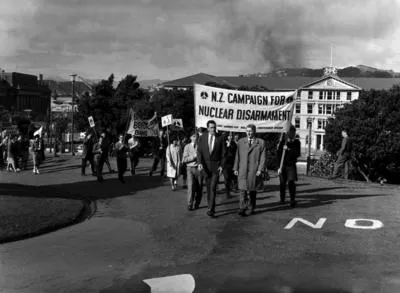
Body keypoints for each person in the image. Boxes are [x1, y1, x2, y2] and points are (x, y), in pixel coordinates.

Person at [233, 124, 266, 216]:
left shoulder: (260, 142)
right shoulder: (240, 142)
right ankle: (242, 207)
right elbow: (237, 156)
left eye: (250, 131)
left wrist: (260, 169)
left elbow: (263, 158)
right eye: (247, 131)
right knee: (242, 189)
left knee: (252, 189)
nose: (249, 133)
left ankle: (251, 207)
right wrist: (235, 168)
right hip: (243, 169)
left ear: (254, 131)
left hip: (253, 169)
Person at [197, 120, 226, 218]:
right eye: (211, 127)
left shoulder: (220, 138)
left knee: (213, 188)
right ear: (208, 128)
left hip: (216, 168)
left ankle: (211, 210)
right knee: (209, 189)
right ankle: (210, 205)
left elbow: (223, 154)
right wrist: (200, 163)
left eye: (214, 127)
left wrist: (222, 165)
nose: (213, 129)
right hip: (205, 167)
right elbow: (199, 152)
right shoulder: (202, 138)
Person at [277, 125, 301, 208]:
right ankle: (282, 198)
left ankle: (292, 200)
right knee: (282, 183)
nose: (293, 134)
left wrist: (288, 149)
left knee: (291, 182)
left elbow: (297, 154)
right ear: (288, 133)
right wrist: (278, 167)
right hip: (283, 165)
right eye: (291, 132)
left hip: (291, 165)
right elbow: (278, 155)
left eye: (294, 132)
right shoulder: (283, 142)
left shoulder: (296, 143)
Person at [182, 132, 202, 210]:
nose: (195, 138)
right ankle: (189, 204)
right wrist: (193, 157)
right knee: (190, 186)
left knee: (199, 187)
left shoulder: (200, 146)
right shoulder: (187, 146)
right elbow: (184, 159)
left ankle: (197, 203)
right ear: (190, 137)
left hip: (199, 169)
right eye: (193, 136)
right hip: (189, 168)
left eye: (196, 136)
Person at [223, 132, 237, 199]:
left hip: (233, 163)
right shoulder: (224, 143)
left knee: (232, 178)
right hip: (226, 164)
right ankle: (227, 193)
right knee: (226, 178)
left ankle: (232, 189)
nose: (230, 137)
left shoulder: (234, 143)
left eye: (231, 136)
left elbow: (235, 153)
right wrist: (227, 146)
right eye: (229, 136)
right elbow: (223, 153)